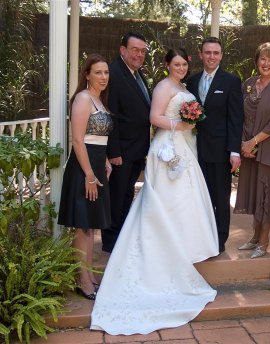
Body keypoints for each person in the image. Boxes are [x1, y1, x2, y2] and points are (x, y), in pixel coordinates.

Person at [90, 48, 219, 335]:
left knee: (187, 197)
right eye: (176, 63)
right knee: (166, 198)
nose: (182, 67)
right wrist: (181, 124)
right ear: (167, 65)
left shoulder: (184, 87)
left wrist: (189, 125)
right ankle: (163, 243)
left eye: (185, 63)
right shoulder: (163, 86)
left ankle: (185, 244)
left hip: (184, 145)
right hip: (167, 147)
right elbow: (154, 116)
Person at [58, 54, 113, 300]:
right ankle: (82, 281)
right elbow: (78, 140)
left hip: (96, 164)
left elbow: (97, 137)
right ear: (87, 74)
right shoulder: (82, 99)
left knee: (91, 225)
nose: (103, 77)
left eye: (106, 73)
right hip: (83, 168)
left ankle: (89, 275)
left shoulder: (99, 100)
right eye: (98, 72)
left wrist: (104, 160)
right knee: (82, 225)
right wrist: (89, 174)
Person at [186, 37, 244, 253]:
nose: (212, 56)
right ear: (201, 55)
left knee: (220, 196)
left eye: (216, 53)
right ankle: (201, 235)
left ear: (221, 55)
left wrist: (234, 151)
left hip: (220, 151)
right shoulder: (191, 81)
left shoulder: (230, 81)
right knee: (200, 195)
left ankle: (219, 240)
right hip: (195, 148)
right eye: (208, 52)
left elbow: (235, 118)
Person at [234, 42, 270, 259]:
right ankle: (254, 237)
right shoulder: (248, 84)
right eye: (262, 58)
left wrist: (253, 142)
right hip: (249, 149)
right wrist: (243, 144)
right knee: (253, 192)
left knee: (267, 194)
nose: (266, 63)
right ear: (257, 60)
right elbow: (240, 116)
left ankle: (264, 241)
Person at [101, 32, 151, 253]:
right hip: (121, 150)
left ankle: (121, 237)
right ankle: (110, 243)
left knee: (127, 194)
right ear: (123, 50)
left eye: (142, 51)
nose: (139, 54)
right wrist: (113, 152)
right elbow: (111, 115)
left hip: (136, 150)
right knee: (116, 196)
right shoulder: (113, 74)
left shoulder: (138, 75)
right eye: (134, 50)